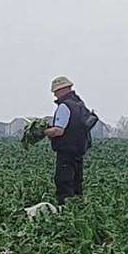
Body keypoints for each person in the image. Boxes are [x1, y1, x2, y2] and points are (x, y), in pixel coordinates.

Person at [45, 76, 98, 204]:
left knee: (64, 184)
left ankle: (65, 214)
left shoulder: (64, 106)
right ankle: (78, 211)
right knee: (76, 185)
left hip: (66, 152)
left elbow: (59, 130)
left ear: (63, 90)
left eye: (56, 91)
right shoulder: (80, 105)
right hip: (79, 151)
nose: (55, 95)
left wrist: (44, 131)